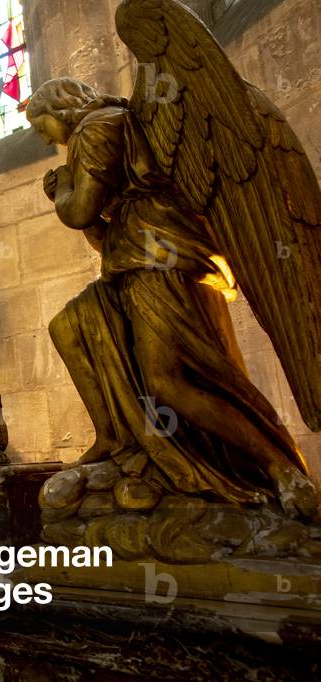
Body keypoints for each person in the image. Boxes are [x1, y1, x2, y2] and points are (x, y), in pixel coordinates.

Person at [25, 77, 317, 519]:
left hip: (158, 258)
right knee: (67, 325)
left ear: (61, 108)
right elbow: (103, 236)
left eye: (41, 124)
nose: (43, 136)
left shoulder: (97, 128)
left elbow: (80, 210)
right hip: (134, 260)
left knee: (169, 382)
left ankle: (280, 468)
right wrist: (68, 196)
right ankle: (113, 435)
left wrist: (63, 190)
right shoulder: (112, 132)